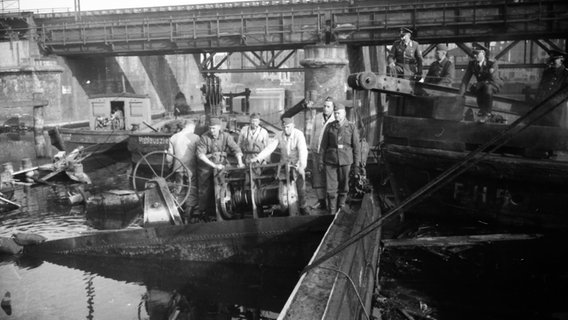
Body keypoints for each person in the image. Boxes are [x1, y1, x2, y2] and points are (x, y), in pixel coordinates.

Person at [250, 117, 310, 216]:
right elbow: (269, 148)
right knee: (282, 185)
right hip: (284, 165)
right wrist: (257, 158)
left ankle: (303, 206)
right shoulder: (279, 135)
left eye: (288, 127)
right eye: (284, 127)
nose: (286, 129)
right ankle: (285, 206)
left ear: (293, 126)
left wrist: (301, 165)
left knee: (300, 185)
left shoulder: (299, 135)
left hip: (296, 164)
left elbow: (303, 151)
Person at [196, 117, 244, 220]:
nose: (211, 130)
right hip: (206, 166)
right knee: (204, 190)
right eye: (210, 128)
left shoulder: (226, 136)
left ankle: (230, 208)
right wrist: (214, 166)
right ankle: (203, 212)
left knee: (228, 183)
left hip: (222, 164)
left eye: (213, 128)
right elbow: (201, 155)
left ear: (219, 127)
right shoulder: (204, 137)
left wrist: (240, 162)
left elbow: (236, 149)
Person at [319, 103, 361, 214]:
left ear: (344, 113)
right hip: (331, 161)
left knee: (344, 187)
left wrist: (357, 165)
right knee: (331, 189)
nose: (337, 115)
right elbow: (323, 145)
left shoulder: (351, 127)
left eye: (339, 113)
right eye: (335, 113)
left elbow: (356, 147)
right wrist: (321, 161)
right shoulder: (329, 126)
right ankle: (332, 212)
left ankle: (340, 210)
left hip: (346, 161)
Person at [459, 43, 503, 123]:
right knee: (474, 88)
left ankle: (487, 113)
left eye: (477, 53)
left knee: (487, 87)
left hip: (494, 84)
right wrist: (460, 95)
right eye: (474, 53)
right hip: (482, 85)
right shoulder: (472, 64)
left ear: (483, 53)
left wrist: (480, 83)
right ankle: (482, 110)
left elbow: (492, 79)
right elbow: (465, 80)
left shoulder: (491, 63)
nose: (475, 56)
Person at [166, 119, 200, 218]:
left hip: (178, 168)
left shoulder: (173, 137)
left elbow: (169, 158)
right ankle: (188, 214)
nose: (194, 130)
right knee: (192, 189)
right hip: (191, 169)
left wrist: (170, 168)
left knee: (179, 190)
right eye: (194, 128)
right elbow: (199, 154)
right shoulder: (196, 137)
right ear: (190, 127)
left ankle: (177, 213)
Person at [309, 97, 336, 210]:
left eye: (328, 106)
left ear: (333, 108)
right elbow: (312, 132)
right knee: (317, 177)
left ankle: (331, 202)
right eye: (324, 106)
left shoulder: (335, 119)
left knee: (329, 177)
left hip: (328, 153)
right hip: (316, 151)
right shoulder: (317, 117)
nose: (325, 108)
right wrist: (311, 147)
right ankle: (321, 201)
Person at [534, 49, 568, 127]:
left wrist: (554, 100)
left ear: (562, 59)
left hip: (557, 109)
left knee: (555, 131)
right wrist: (537, 100)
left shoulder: (566, 74)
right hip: (543, 108)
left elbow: (566, 93)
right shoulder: (547, 73)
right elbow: (541, 88)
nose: (552, 62)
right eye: (551, 59)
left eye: (554, 59)